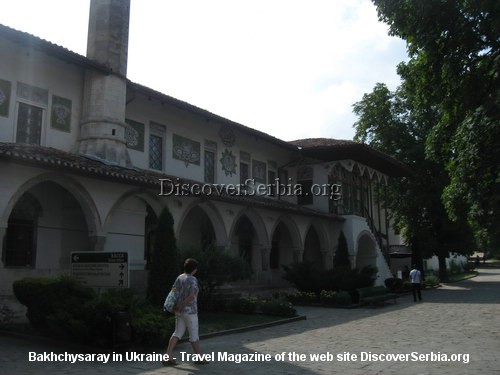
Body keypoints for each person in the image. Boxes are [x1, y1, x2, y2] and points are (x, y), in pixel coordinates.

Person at [164, 258, 209, 366]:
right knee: (194, 334)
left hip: (179, 312)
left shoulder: (179, 277)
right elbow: (191, 296)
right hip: (190, 311)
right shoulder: (192, 279)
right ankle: (199, 357)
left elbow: (174, 292)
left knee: (177, 332)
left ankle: (168, 356)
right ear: (194, 269)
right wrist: (182, 305)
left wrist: (177, 306)